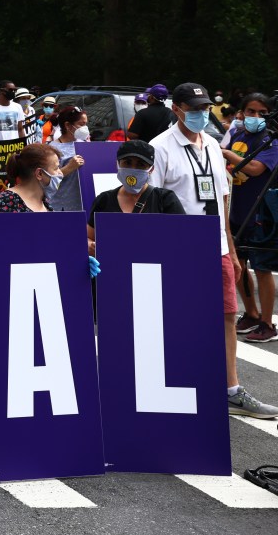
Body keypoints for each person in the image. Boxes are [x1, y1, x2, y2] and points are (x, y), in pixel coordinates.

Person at [0, 141, 102, 461]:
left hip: (43, 293)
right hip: (11, 292)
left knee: (29, 363)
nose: (60, 174)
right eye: (55, 169)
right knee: (2, 363)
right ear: (40, 174)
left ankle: (13, 432)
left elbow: (50, 251)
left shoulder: (45, 205)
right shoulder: (6, 202)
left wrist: (80, 265)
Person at [151, 82, 278, 418]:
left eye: (204, 108)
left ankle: (230, 389)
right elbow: (149, 204)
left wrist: (232, 251)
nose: (200, 114)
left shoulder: (211, 144)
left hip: (216, 246)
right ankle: (176, 386)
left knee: (225, 315)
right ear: (176, 109)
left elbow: (222, 199)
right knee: (178, 318)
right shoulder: (160, 147)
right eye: (193, 109)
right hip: (177, 249)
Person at [223, 93, 278, 343]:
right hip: (237, 210)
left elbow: (255, 168)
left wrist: (224, 153)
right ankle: (251, 314)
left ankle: (268, 323)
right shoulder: (237, 134)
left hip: (260, 214)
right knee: (239, 264)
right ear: (241, 112)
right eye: (250, 111)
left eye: (261, 112)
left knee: (262, 268)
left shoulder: (271, 140)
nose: (255, 117)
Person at [86, 139, 186, 252]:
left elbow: (182, 238)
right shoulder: (104, 200)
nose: (133, 169)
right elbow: (89, 236)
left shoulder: (165, 199)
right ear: (118, 163)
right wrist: (90, 246)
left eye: (141, 165)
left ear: (151, 169)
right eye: (127, 162)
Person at [45, 105, 89, 212]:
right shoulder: (52, 149)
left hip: (82, 203)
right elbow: (47, 181)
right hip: (61, 206)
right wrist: (69, 167)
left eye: (86, 124)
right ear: (68, 125)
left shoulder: (83, 144)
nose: (85, 128)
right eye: (81, 124)